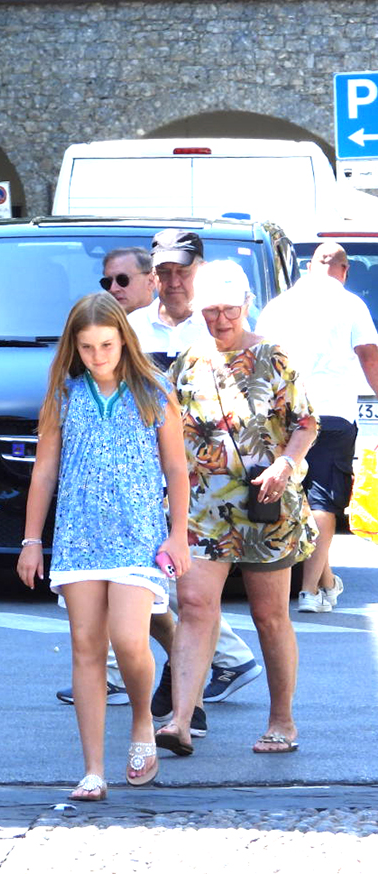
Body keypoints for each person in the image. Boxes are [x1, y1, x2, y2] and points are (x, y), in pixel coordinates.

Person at [57, 234, 263, 722]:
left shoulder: (216, 322)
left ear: (199, 273)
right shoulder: (128, 329)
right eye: (163, 272)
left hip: (207, 476)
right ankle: (188, 683)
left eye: (182, 272)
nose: (172, 281)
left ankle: (200, 682)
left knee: (186, 593)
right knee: (161, 593)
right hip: (142, 482)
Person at [18, 292, 190, 802]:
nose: (98, 355)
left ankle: (141, 721)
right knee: (86, 648)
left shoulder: (155, 392)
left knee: (131, 641)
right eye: (88, 346)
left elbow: (177, 468)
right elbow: (44, 471)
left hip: (138, 536)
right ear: (74, 346)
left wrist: (177, 533)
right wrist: (31, 540)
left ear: (124, 340)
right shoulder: (62, 397)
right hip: (76, 537)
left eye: (107, 345)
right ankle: (93, 769)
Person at [157, 260, 317, 757]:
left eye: (227, 310)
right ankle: (181, 720)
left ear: (246, 305)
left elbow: (306, 423)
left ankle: (281, 720)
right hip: (203, 510)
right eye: (209, 311)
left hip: (266, 505)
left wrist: (285, 466)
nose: (219, 320)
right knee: (197, 608)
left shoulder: (274, 357)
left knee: (270, 616)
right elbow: (168, 432)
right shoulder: (186, 362)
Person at [257, 243, 378, 613]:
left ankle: (326, 581)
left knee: (301, 500)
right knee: (324, 498)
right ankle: (310, 590)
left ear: (309, 268)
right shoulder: (351, 304)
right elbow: (369, 356)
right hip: (333, 412)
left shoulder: (278, 305)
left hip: (285, 415)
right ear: (343, 270)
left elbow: (261, 356)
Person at [100, 247, 155, 314]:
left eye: (122, 280)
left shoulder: (168, 323)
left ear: (150, 281)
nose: (113, 289)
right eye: (107, 282)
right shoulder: (94, 323)